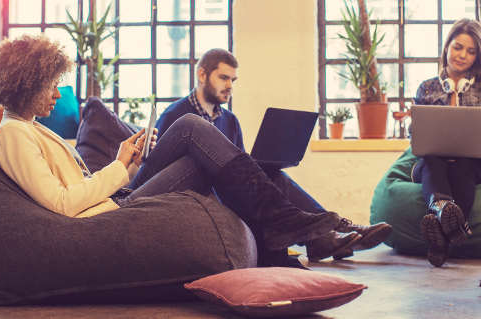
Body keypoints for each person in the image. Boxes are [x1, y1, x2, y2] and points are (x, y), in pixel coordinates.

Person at [0, 35, 370, 267]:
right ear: (27, 84)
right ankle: (282, 222)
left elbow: (82, 184)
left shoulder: (30, 129)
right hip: (106, 216)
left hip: (116, 198)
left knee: (200, 148)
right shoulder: (12, 135)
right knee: (190, 126)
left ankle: (280, 227)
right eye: (51, 85)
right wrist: (119, 167)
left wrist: (130, 164)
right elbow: (64, 204)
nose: (57, 93)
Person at [155, 48, 392, 263]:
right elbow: (169, 172)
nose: (230, 85)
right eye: (224, 78)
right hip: (199, 195)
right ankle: (325, 234)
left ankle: (330, 232)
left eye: (233, 80)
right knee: (267, 181)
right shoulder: (176, 117)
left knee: (272, 174)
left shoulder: (230, 120)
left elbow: (238, 168)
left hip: (229, 192)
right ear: (202, 74)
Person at [412, 18, 481, 267]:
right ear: (447, 47)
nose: (462, 55)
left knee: (464, 162)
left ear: (479, 56)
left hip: (475, 162)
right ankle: (448, 217)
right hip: (436, 162)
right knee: (432, 161)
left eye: (471, 51)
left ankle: (440, 229)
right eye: (458, 47)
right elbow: (417, 136)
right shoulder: (427, 88)